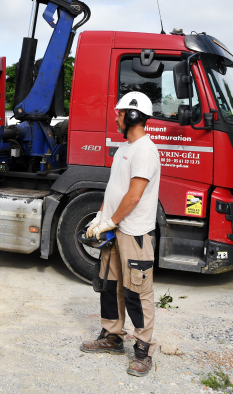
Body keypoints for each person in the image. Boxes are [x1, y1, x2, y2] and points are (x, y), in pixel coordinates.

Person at [79, 92, 161, 377]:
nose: (116, 118)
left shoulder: (145, 151)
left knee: (137, 291)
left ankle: (143, 350)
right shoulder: (125, 148)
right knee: (110, 285)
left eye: (120, 113)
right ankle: (112, 336)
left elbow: (134, 195)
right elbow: (114, 189)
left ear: (134, 116)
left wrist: (111, 221)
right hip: (114, 228)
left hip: (133, 232)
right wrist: (101, 217)